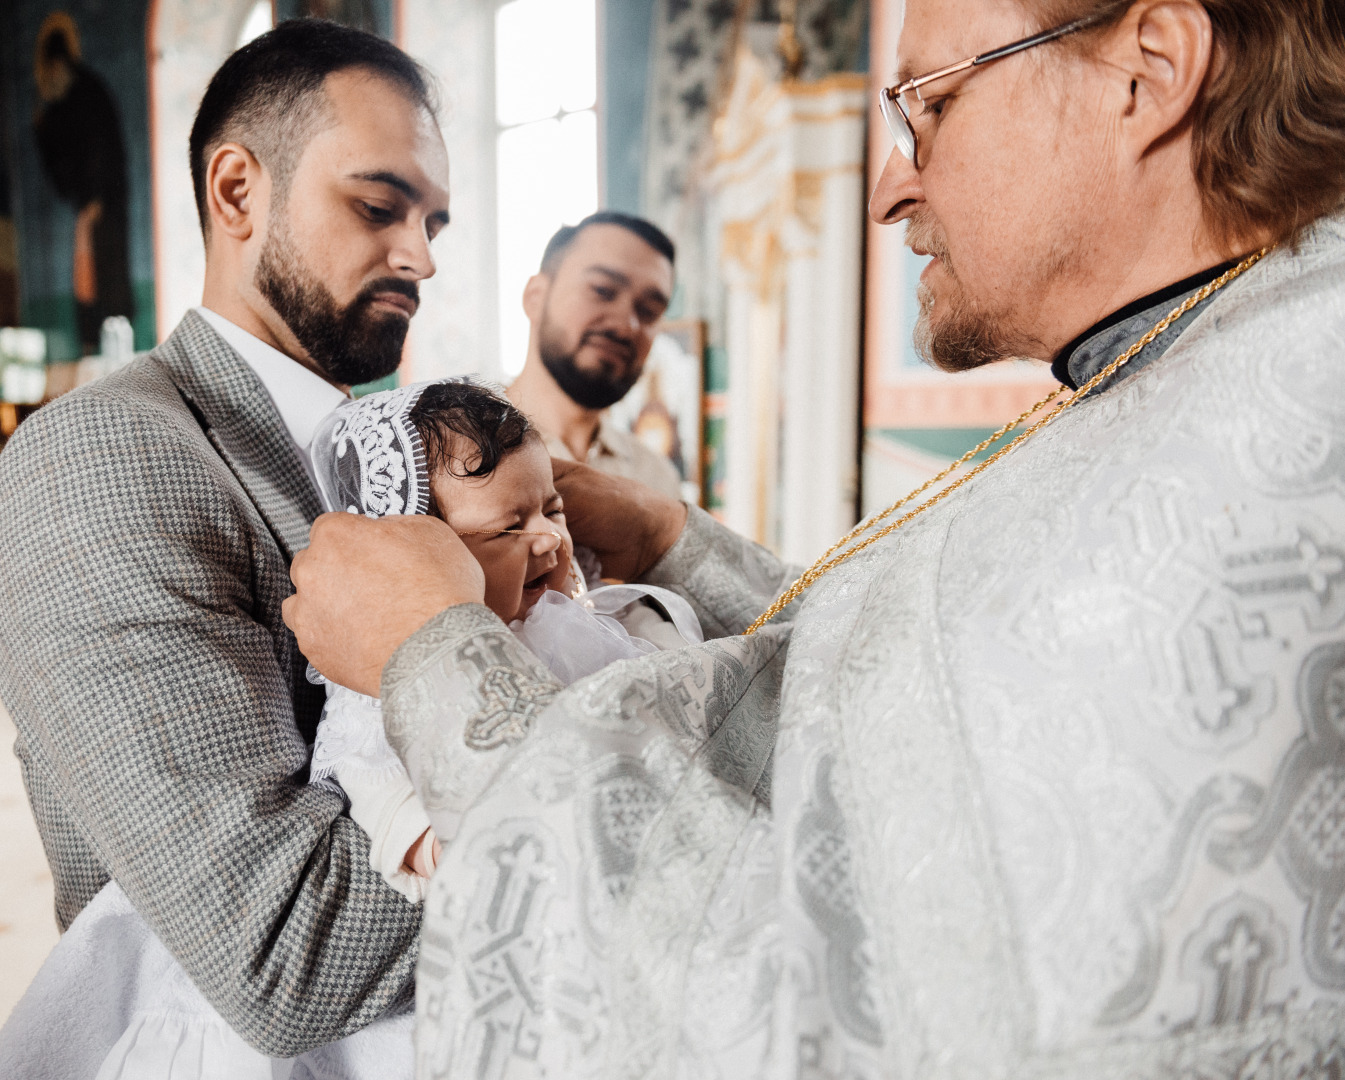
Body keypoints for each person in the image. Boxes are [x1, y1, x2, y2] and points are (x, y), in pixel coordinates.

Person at [283, 0, 1345, 1075]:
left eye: (928, 107)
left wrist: (437, 658)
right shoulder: (1202, 368)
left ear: (1148, 69)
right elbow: (893, 689)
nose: (889, 188)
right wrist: (673, 542)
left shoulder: (1271, 452)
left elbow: (818, 1010)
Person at [0, 379, 700, 1079]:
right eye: (508, 527)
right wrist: (446, 844)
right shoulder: (378, 677)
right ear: (420, 547)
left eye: (554, 510)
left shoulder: (575, 624)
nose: (547, 539)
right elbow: (373, 786)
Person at [0, 19, 449, 1067]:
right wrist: (603, 795)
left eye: (432, 221)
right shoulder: (107, 457)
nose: (420, 255)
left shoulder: (399, 448)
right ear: (236, 191)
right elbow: (287, 949)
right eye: (379, 207)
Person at [504, 212, 685, 500]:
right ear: (535, 297)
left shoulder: (656, 481)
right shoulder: (459, 448)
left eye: (649, 311)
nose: (626, 326)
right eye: (602, 290)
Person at [32, 14, 134, 354]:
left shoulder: (89, 92)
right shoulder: (62, 104)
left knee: (108, 270)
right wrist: (43, 133)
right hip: (88, 203)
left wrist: (95, 197)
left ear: (60, 63)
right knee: (86, 272)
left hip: (104, 200)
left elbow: (101, 147)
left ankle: (110, 343)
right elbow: (63, 162)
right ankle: (90, 343)